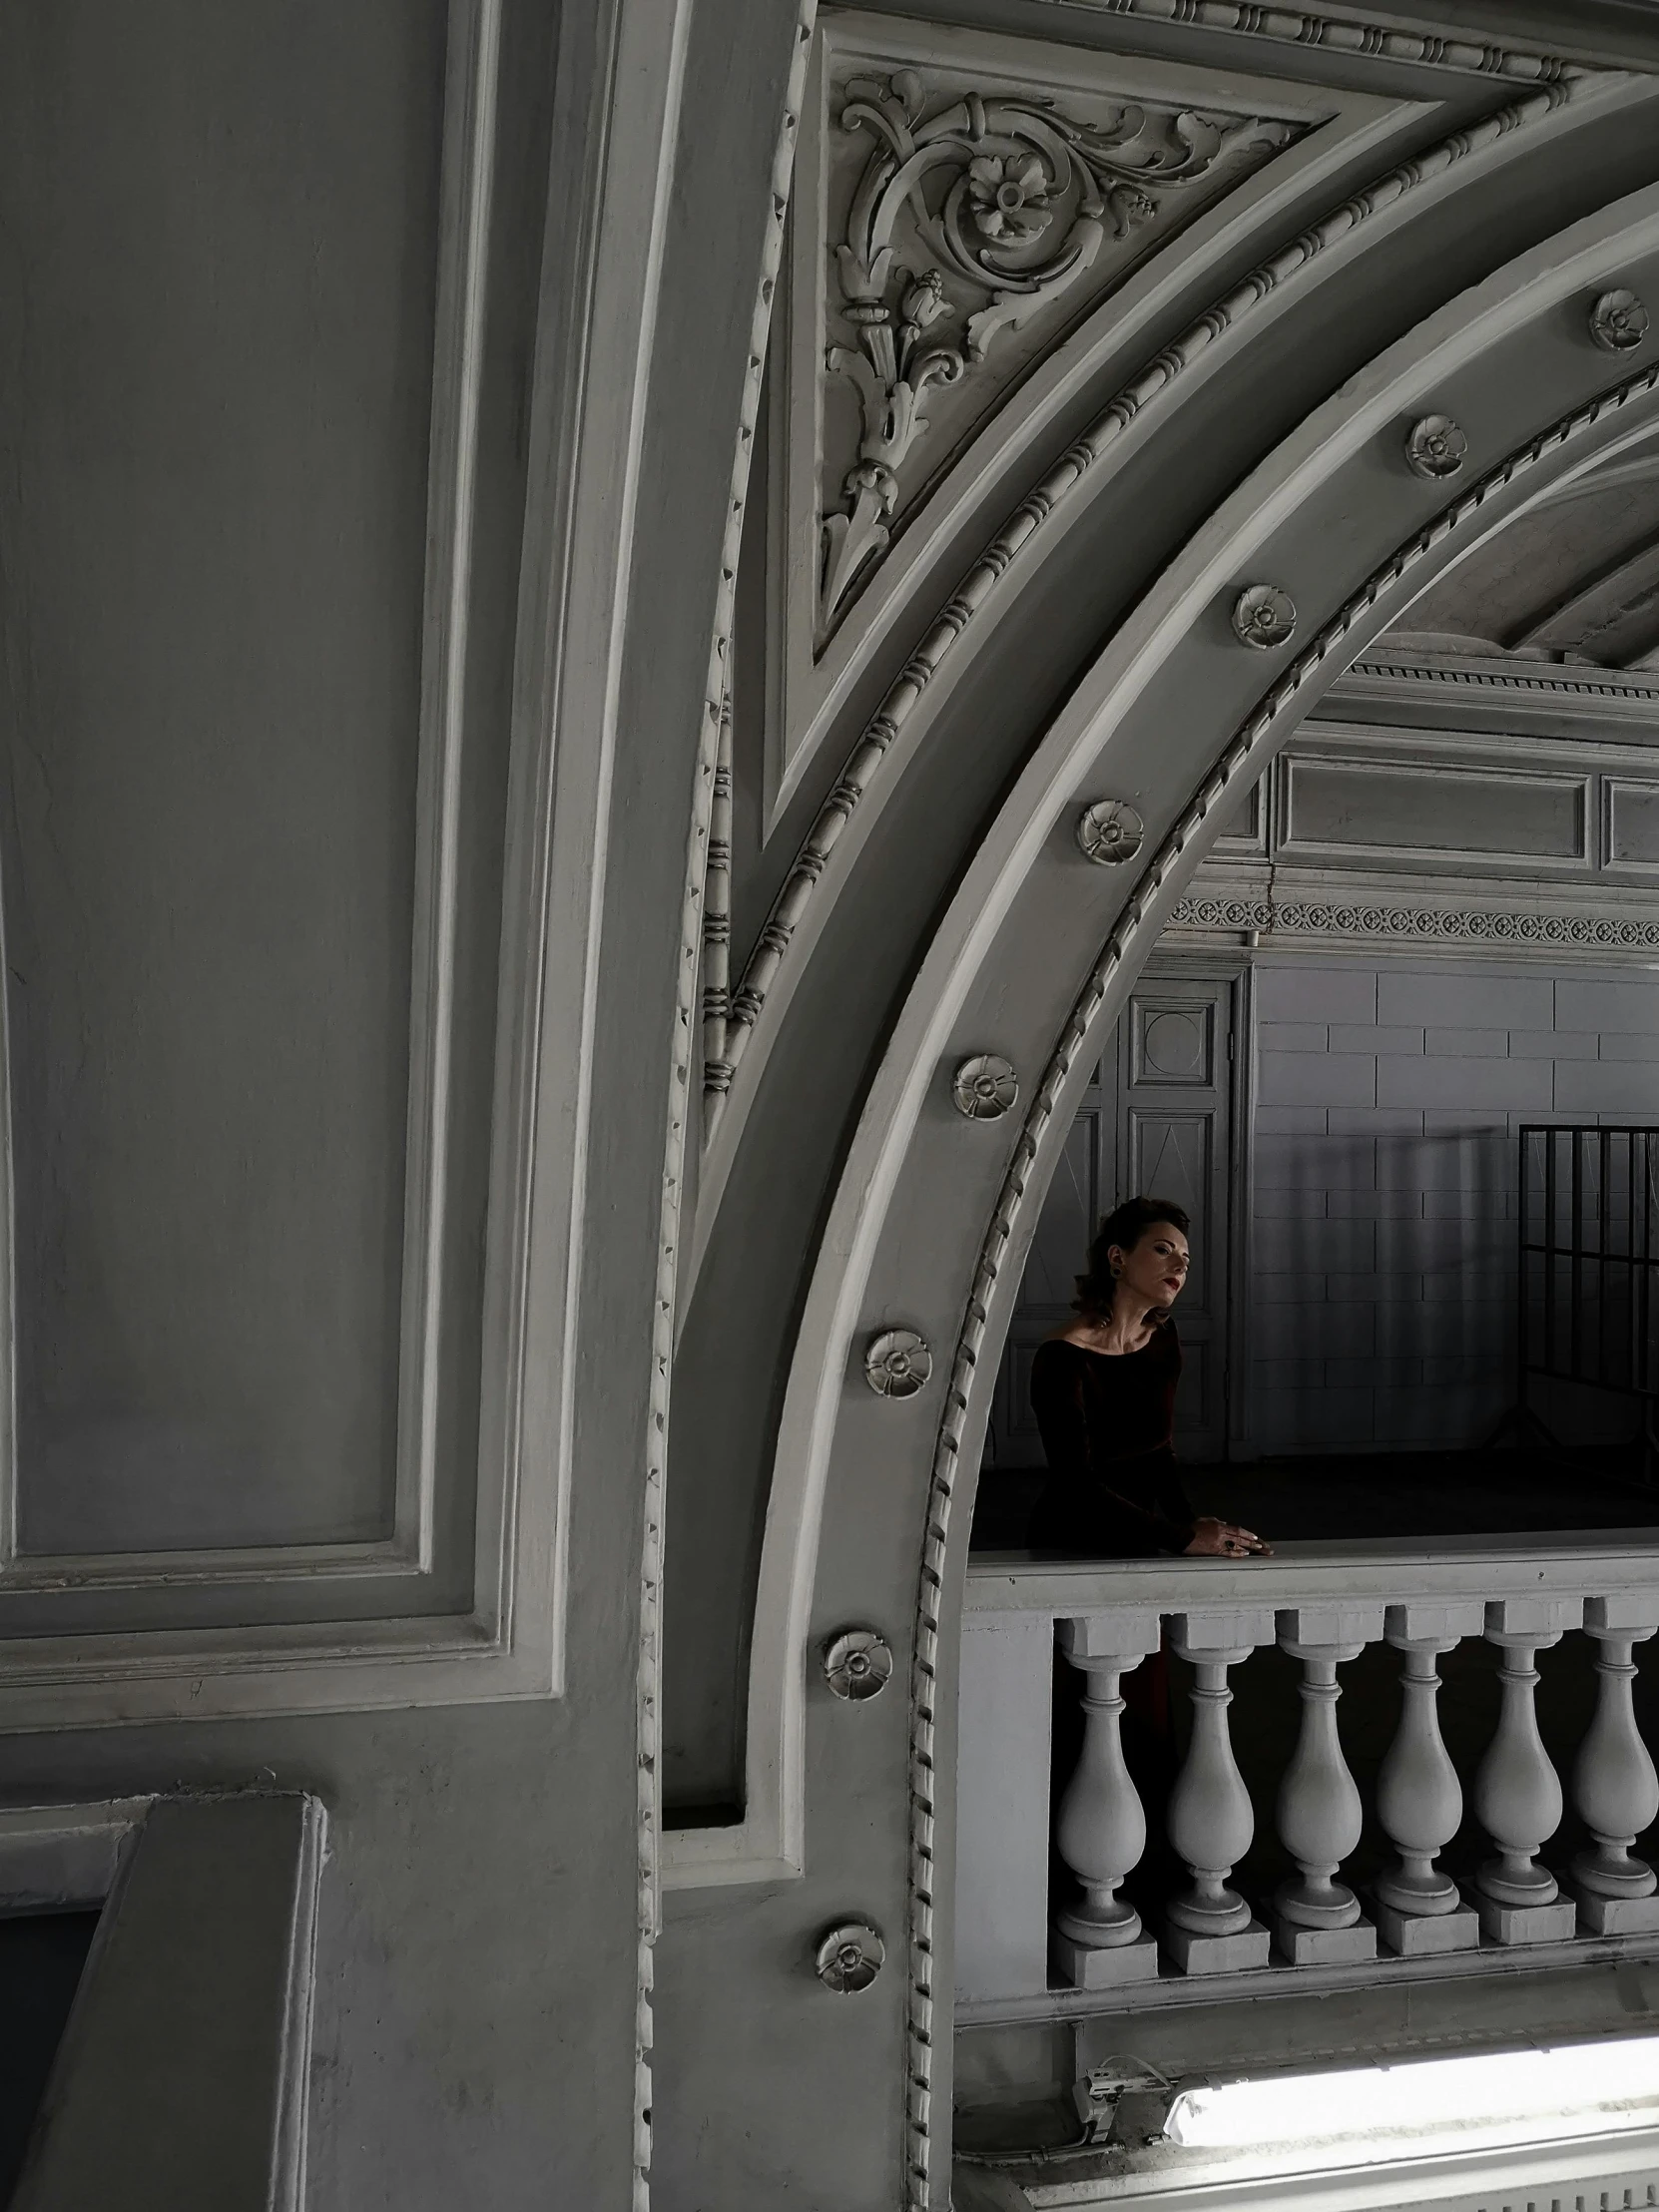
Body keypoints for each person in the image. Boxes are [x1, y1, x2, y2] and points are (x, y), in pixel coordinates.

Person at [1029, 1195, 1269, 1560]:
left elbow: (1157, 1448)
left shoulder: (1163, 1337)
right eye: (1163, 1250)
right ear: (1117, 1258)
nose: (1180, 1266)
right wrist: (1181, 1538)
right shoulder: (1061, 1356)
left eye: (1186, 1260)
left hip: (1145, 1533)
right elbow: (1074, 1483)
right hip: (1072, 1537)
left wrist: (1191, 1525)